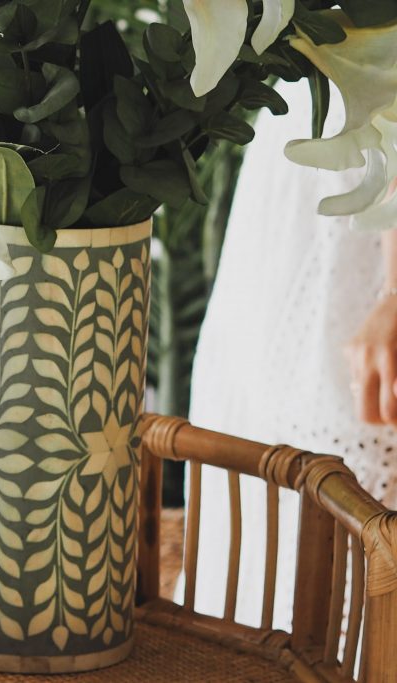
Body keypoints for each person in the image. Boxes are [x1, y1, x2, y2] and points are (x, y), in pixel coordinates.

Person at [184, 78, 397, 628]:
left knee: (340, 459)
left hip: (364, 171)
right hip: (304, 155)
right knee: (264, 434)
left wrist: (395, 294)